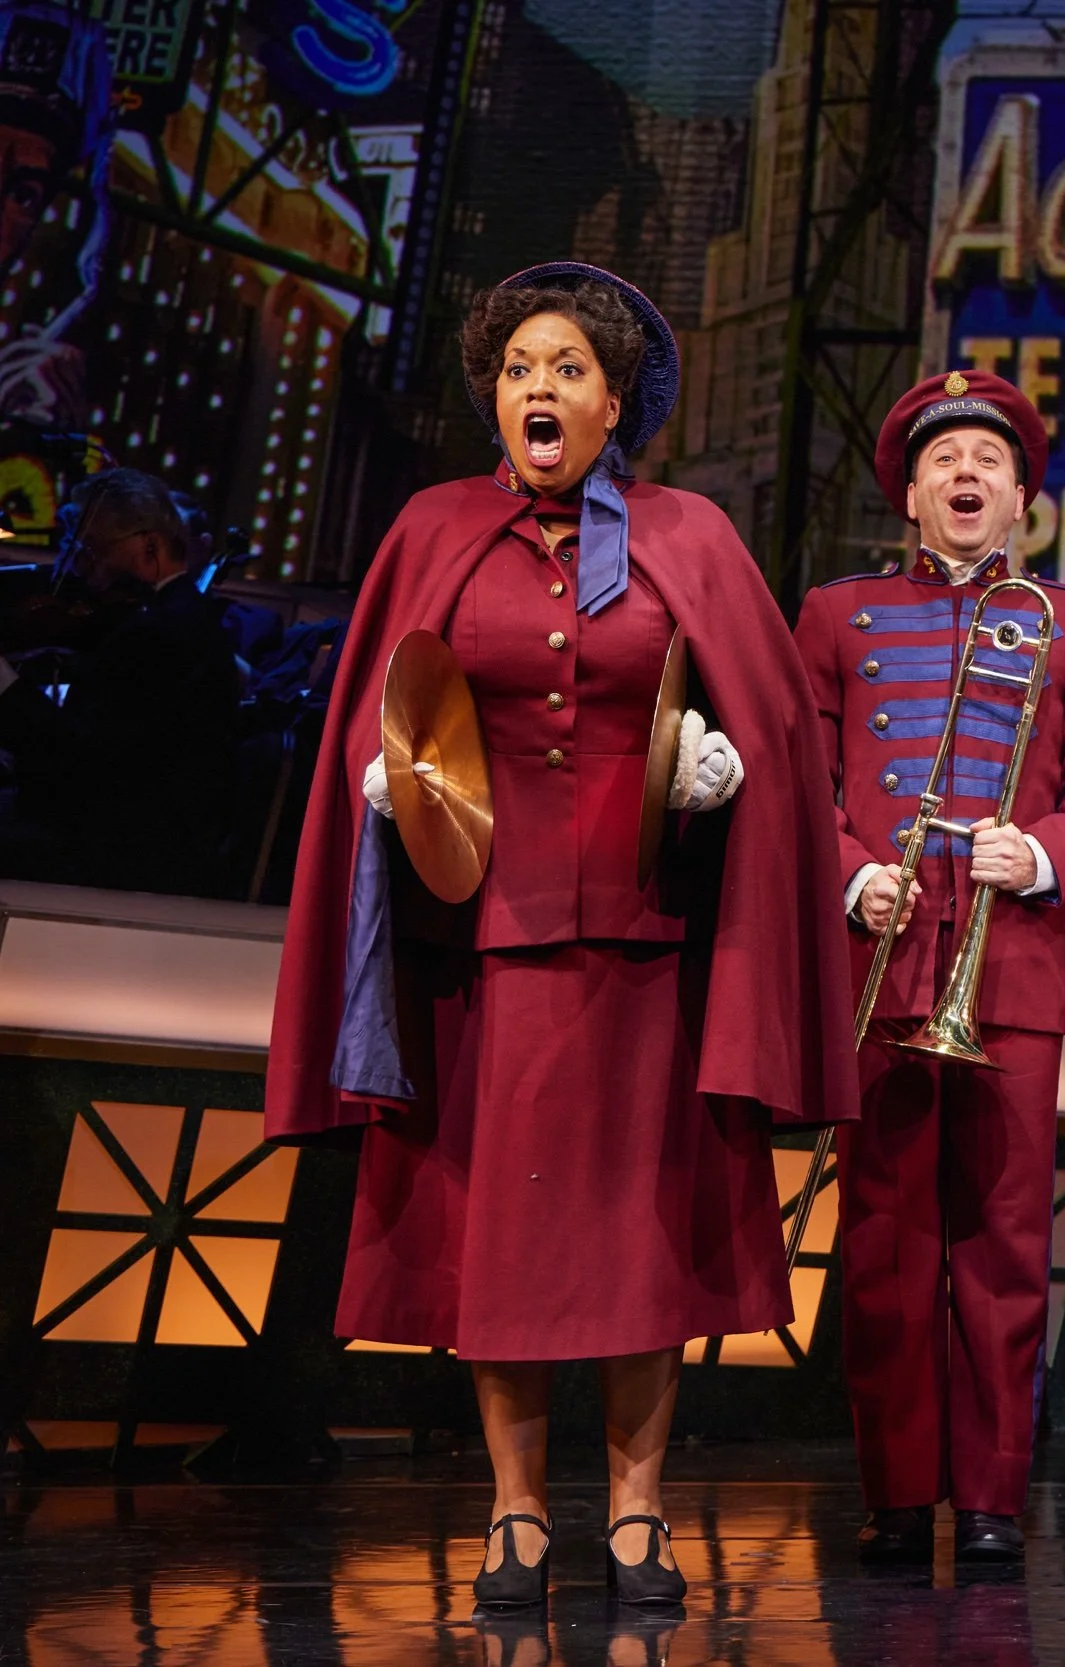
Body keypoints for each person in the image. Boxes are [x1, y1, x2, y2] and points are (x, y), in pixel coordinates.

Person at [262, 263, 854, 1609]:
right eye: (521, 364)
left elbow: (766, 719)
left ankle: (639, 1511)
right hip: (480, 943)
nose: (540, 385)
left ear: (617, 399)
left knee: (637, 1242)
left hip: (646, 946)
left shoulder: (690, 533)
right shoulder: (434, 526)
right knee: (504, 1245)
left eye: (569, 367)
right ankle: (516, 1509)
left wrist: (716, 776)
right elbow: (385, 696)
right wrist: (380, 776)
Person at [791, 369, 1065, 1564]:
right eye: (944, 461)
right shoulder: (834, 613)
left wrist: (1040, 854)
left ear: (1022, 495)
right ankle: (893, 1491)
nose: (966, 475)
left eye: (989, 460)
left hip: (1011, 967)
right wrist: (843, 873)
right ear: (911, 492)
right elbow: (800, 786)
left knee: (1004, 1242)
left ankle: (986, 1495)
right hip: (879, 964)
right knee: (881, 1245)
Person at [0, 468, 241, 894]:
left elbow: (80, 760)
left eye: (95, 550)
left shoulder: (162, 632)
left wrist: (9, 689)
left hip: (116, 851)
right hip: (126, 831)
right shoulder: (179, 618)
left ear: (149, 547)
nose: (83, 568)